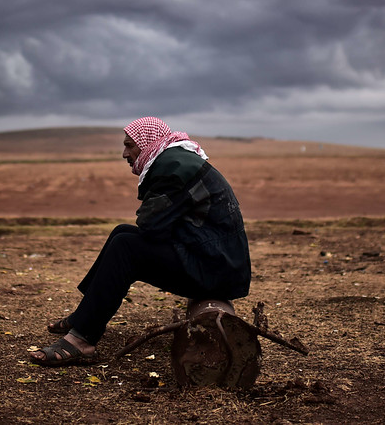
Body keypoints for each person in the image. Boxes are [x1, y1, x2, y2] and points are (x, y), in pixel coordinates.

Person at [28, 116, 251, 366]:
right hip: (213, 259)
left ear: (147, 143)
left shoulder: (173, 167)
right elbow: (159, 224)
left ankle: (82, 339)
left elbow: (151, 225)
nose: (124, 153)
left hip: (214, 270)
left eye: (129, 145)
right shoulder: (175, 159)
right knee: (121, 233)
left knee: (126, 248)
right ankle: (84, 316)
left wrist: (161, 224)